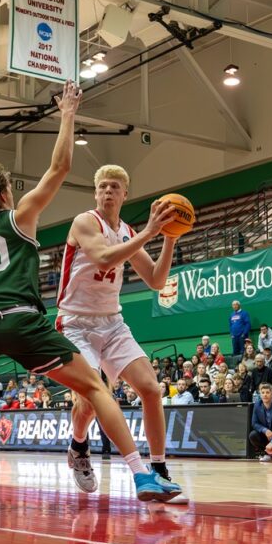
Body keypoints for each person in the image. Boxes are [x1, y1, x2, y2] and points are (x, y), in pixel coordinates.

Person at [0, 81, 178, 509]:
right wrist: (67, 115)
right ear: (5, 194)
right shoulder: (20, 216)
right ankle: (140, 475)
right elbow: (60, 167)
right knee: (98, 391)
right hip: (27, 320)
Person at [55, 159, 180, 495]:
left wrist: (170, 238)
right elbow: (104, 258)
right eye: (102, 187)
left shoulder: (126, 231)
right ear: (96, 194)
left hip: (111, 323)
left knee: (152, 390)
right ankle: (79, 446)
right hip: (75, 324)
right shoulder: (85, 222)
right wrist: (150, 232)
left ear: (125, 194)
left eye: (114, 187)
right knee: (92, 400)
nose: (107, 191)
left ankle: (159, 468)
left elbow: (156, 280)